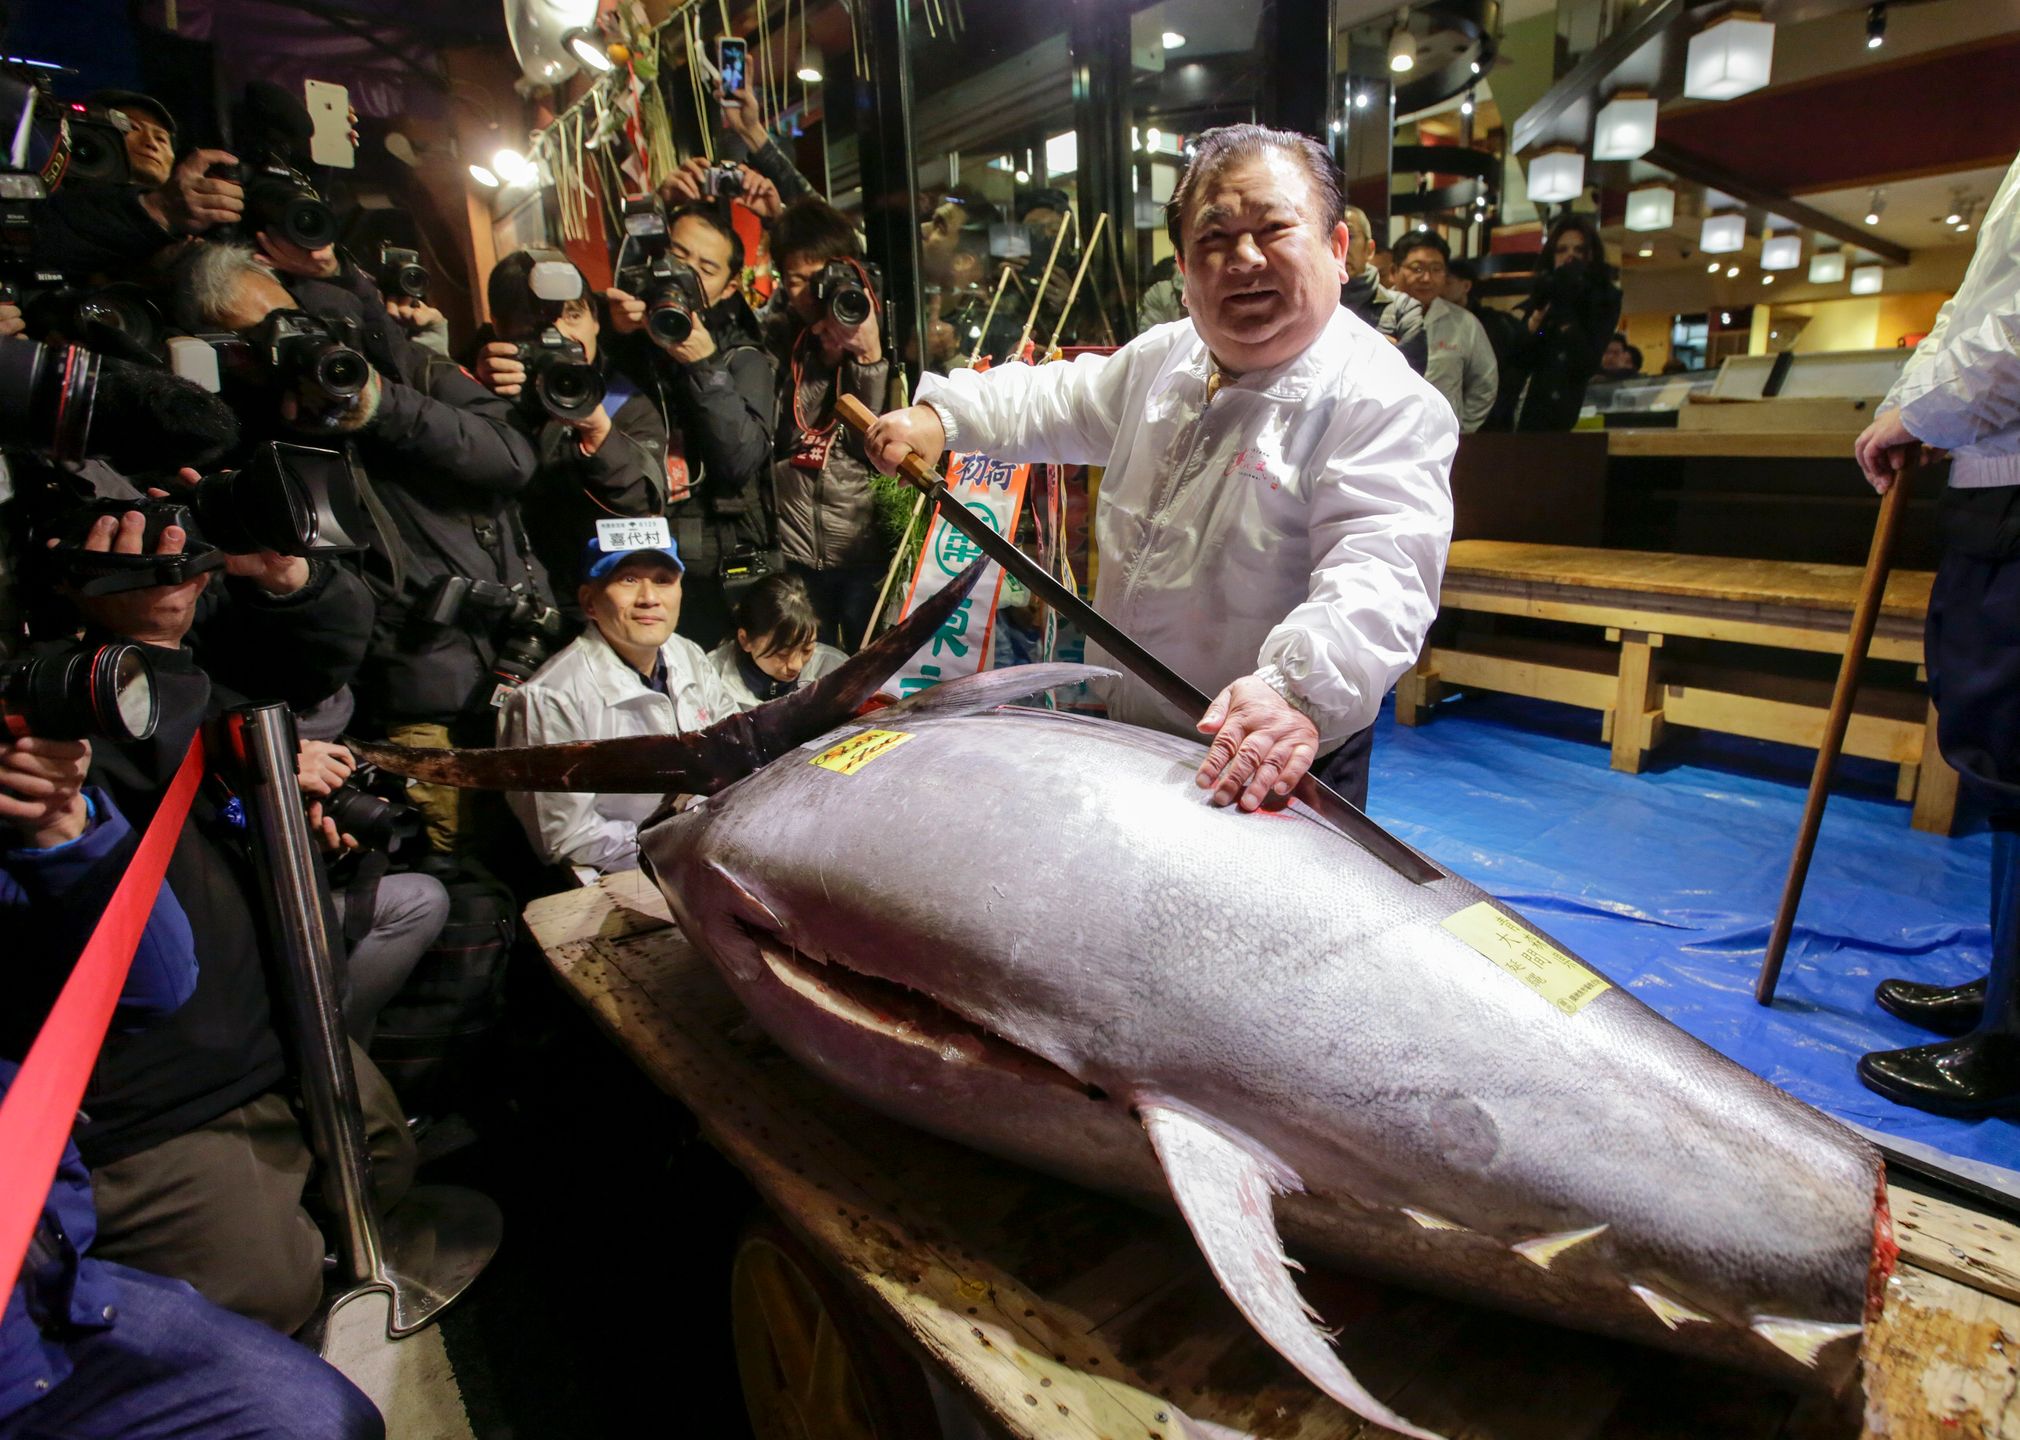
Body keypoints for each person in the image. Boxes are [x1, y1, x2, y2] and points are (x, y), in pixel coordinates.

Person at [867, 123, 1456, 813]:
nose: (1242, 258)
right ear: (1182, 270)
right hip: (1133, 732)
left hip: (1269, 751)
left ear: (1337, 246)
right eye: (1213, 238)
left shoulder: (1384, 400)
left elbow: (1381, 571)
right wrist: (945, 418)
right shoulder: (1168, 359)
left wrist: (1295, 690)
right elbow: (1054, 399)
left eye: (1272, 229)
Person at [16, 492, 415, 1335]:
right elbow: (129, 779)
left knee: (384, 1167)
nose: (164, 563)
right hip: (155, 1086)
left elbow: (322, 658)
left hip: (276, 1021)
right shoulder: (49, 700)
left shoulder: (209, 674)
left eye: (175, 549)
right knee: (267, 1293)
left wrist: (280, 577)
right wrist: (139, 643)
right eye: (128, 550)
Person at [0, 740, 384, 1440]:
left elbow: (158, 981)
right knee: (272, 1290)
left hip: (52, 1289)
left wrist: (64, 823)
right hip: (137, 1121)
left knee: (325, 1417)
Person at [170, 241, 550, 853]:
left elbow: (509, 458)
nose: (295, 345)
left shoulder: (390, 365)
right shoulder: (240, 445)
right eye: (262, 339)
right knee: (470, 863)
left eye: (292, 320)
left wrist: (377, 401)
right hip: (420, 696)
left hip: (524, 666)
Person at [1852, 145, 2020, 1118]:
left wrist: (1920, 405)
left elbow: (2007, 322)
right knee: (2001, 753)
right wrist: (1915, 401)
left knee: (2016, 755)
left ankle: (2012, 1039)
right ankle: (2007, 993)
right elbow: (1981, 294)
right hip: (1994, 469)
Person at [497, 534, 739, 875]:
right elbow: (566, 836)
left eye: (662, 581)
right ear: (589, 601)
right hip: (621, 873)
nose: (649, 598)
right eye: (628, 580)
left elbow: (731, 749)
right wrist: (678, 845)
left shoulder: (688, 655)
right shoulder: (549, 699)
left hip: (707, 848)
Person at [603, 201, 778, 649]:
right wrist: (612, 337)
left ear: (727, 285)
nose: (687, 275)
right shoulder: (617, 341)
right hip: (627, 561)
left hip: (711, 576)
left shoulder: (743, 357)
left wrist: (702, 365)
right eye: (678, 257)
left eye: (706, 267)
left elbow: (739, 460)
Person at [474, 249, 672, 624]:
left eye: (573, 315)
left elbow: (644, 504)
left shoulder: (623, 402)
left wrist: (598, 432)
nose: (560, 335)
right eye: (537, 326)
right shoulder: (484, 389)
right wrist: (477, 392)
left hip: (599, 607)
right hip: (507, 599)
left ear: (596, 320)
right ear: (500, 329)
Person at [765, 198, 893, 651]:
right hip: (796, 547)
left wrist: (870, 359)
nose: (808, 293)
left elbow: (872, 446)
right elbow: (787, 433)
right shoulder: (779, 338)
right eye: (795, 279)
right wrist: (823, 359)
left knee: (868, 669)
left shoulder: (874, 326)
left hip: (859, 544)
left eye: (816, 277)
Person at [1505, 212, 1622, 432]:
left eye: (1579, 250)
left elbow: (1585, 361)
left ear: (1591, 254)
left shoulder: (1604, 299)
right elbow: (1523, 353)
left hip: (1563, 415)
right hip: (1526, 409)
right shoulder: (1547, 291)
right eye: (1562, 249)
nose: (1570, 256)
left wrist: (1566, 314)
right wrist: (1537, 322)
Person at [1390, 230, 1497, 433]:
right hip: (1381, 437)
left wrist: (1461, 429)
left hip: (1441, 439)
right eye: (1417, 268)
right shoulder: (1372, 315)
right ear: (1394, 271)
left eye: (1436, 269)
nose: (1426, 278)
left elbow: (1485, 383)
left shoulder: (1464, 323)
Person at [708, 571, 847, 709]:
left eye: (807, 649)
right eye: (783, 654)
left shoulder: (836, 669)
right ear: (745, 640)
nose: (796, 665)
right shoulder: (709, 679)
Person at [1339, 205, 1426, 373]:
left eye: (1349, 236)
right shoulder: (1306, 307)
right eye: (1329, 237)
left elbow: (1411, 370)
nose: (1340, 245)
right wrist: (1381, 347)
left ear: (1369, 249)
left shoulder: (1403, 308)